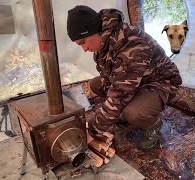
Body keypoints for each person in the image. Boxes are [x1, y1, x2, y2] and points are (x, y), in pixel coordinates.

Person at [67, 5, 182, 151]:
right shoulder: (103, 43)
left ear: (92, 30)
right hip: (137, 81)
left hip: (160, 82)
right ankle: (123, 111)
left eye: (83, 42)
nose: (84, 49)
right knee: (96, 84)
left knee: (134, 113)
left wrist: (92, 131)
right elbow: (109, 78)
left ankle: (153, 124)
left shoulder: (131, 44)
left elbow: (120, 93)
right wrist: (109, 114)